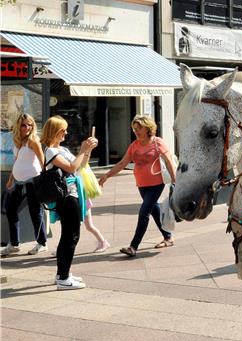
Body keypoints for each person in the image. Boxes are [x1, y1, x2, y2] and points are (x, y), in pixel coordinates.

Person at [99, 115, 177, 258]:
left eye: (139, 128)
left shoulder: (157, 143)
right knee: (154, 210)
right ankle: (168, 237)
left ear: (147, 128)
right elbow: (122, 164)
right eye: (134, 129)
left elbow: (169, 162)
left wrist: (174, 181)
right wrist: (106, 176)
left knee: (144, 212)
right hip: (141, 184)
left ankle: (133, 246)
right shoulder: (134, 146)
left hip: (156, 184)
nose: (136, 131)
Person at [41, 116, 98, 290]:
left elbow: (81, 165)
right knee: (71, 236)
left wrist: (87, 150)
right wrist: (82, 149)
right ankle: (63, 278)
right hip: (65, 198)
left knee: (70, 235)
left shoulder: (62, 149)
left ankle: (62, 273)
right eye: (62, 130)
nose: (66, 132)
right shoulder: (50, 151)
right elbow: (72, 168)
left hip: (71, 196)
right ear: (54, 132)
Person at [1, 114, 47, 256]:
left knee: (35, 212)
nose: (27, 127)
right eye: (23, 125)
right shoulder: (18, 141)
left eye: (30, 125)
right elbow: (17, 162)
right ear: (18, 126)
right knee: (10, 209)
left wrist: (44, 180)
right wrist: (10, 179)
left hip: (33, 181)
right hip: (19, 182)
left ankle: (42, 243)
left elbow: (42, 160)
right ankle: (15, 244)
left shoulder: (33, 140)